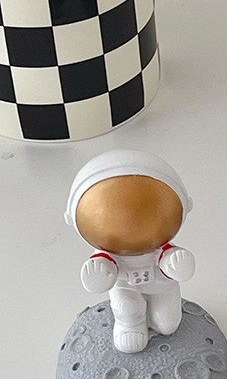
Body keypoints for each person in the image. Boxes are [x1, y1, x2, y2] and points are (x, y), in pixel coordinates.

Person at [65, 151, 195, 354]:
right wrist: (99, 276)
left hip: (161, 284)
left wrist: (177, 265)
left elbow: (168, 259)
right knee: (128, 310)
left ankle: (153, 320)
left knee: (167, 324)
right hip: (125, 286)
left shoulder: (159, 245)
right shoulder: (107, 252)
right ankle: (129, 324)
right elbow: (104, 271)